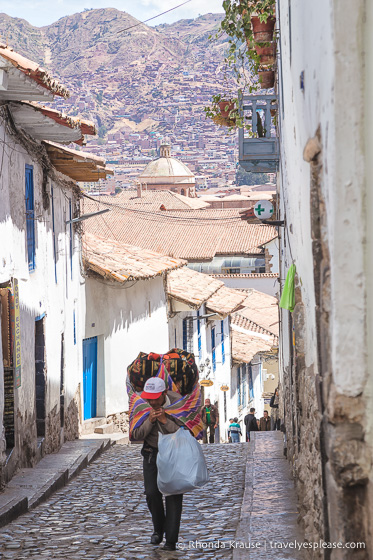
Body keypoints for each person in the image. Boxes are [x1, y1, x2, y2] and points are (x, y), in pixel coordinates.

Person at [131, 377, 183, 551]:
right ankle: (158, 530)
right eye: (149, 398)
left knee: (173, 495)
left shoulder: (178, 404)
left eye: (156, 398)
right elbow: (136, 434)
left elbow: (186, 432)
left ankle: (171, 540)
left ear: (165, 394)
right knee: (152, 493)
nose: (152, 402)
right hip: (151, 454)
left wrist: (164, 422)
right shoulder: (141, 405)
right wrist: (150, 421)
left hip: (174, 455)